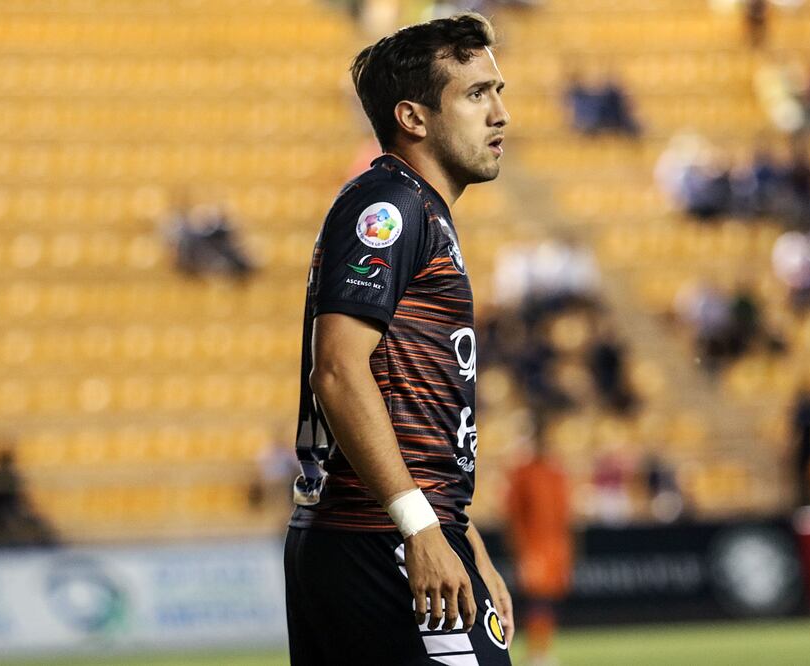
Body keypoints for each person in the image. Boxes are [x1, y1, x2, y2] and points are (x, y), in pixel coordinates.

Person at [285, 14, 513, 665]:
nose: (499, 113)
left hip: (389, 534)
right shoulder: (390, 207)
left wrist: (465, 538)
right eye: (476, 94)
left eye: (499, 91)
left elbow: (426, 417)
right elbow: (336, 370)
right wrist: (421, 528)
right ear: (413, 118)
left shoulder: (422, 210)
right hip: (378, 539)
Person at [506, 430, 573, 666]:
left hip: (555, 546)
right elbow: (514, 515)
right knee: (537, 601)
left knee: (548, 601)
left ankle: (543, 651)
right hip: (533, 547)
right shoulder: (524, 474)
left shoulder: (557, 474)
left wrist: (566, 549)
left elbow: (565, 516)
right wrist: (521, 551)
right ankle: (536, 654)